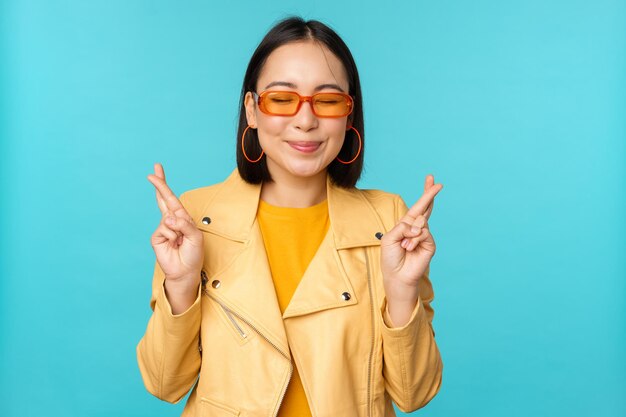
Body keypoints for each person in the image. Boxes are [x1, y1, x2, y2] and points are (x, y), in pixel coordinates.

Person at [137, 16, 444, 417]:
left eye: (328, 100)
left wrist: (402, 293)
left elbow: (414, 394)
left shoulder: (388, 220)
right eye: (281, 99)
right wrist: (180, 286)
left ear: (349, 115)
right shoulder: (196, 218)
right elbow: (164, 383)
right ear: (252, 110)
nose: (305, 120)